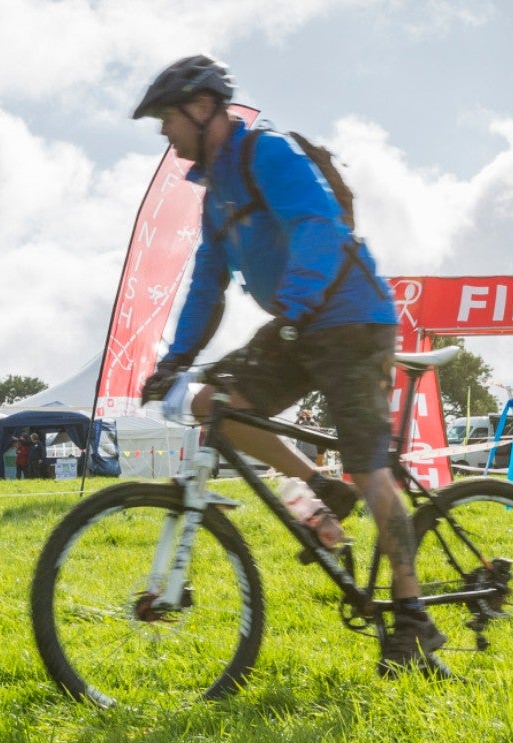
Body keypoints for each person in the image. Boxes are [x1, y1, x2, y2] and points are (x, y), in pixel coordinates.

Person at [130, 55, 444, 671]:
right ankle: (317, 484)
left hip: (352, 319)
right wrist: (176, 360)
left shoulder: (270, 154)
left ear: (202, 109)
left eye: (168, 119)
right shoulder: (216, 193)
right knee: (211, 401)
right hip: (300, 321)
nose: (164, 134)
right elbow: (207, 283)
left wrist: (296, 305)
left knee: (371, 467)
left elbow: (318, 228)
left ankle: (412, 616)